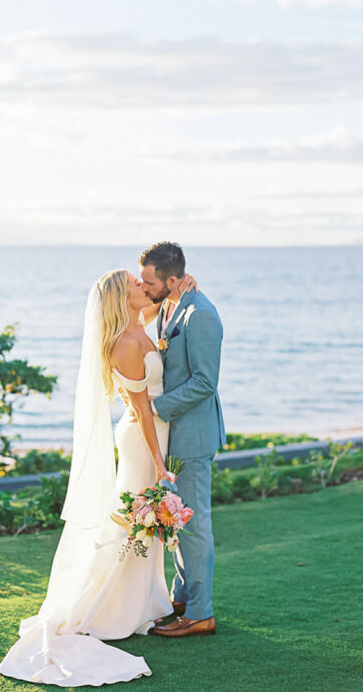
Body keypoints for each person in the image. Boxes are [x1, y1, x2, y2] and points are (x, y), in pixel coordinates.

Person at [0, 268, 183, 686]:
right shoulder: (123, 344)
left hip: (155, 433)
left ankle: (144, 600)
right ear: (122, 297)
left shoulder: (139, 325)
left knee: (141, 519)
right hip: (142, 439)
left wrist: (178, 288)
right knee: (137, 517)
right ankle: (111, 607)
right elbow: (139, 411)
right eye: (137, 285)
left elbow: (157, 304)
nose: (144, 287)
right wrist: (158, 462)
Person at [139, 241, 226, 639]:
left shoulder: (202, 314)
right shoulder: (172, 301)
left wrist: (157, 408)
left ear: (171, 280)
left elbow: (206, 382)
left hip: (191, 435)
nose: (145, 287)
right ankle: (183, 600)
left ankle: (201, 613)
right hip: (173, 436)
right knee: (177, 520)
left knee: (193, 524)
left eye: (150, 281)